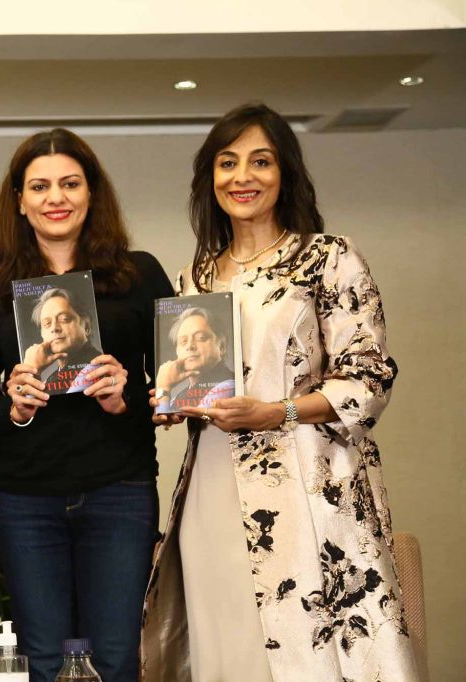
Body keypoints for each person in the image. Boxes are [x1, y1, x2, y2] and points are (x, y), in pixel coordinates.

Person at [141, 103, 418, 681]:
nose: (242, 176)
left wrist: (278, 411)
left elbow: (370, 380)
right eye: (227, 162)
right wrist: (173, 403)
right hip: (212, 484)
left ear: (284, 172)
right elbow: (195, 381)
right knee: (226, 644)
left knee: (305, 650)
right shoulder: (194, 278)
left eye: (260, 161)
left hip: (307, 486)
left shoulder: (328, 258)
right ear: (209, 178)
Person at [0, 128, 173, 682]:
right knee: (44, 659)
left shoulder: (139, 274)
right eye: (40, 186)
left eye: (70, 183)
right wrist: (12, 407)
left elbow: (178, 388)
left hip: (119, 489)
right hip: (25, 497)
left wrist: (125, 397)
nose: (55, 197)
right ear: (19, 200)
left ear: (91, 192)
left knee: (116, 656)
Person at [154, 306, 235, 411]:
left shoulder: (228, 387)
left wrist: (163, 388)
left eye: (201, 338)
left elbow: (164, 417)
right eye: (183, 341)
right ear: (177, 351)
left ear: (222, 347)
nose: (189, 346)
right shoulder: (179, 397)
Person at [24, 286, 100, 392]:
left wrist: (31, 373)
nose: (54, 328)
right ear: (42, 334)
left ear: (86, 326)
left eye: (64, 319)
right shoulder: (55, 376)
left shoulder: (93, 369)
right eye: (47, 323)